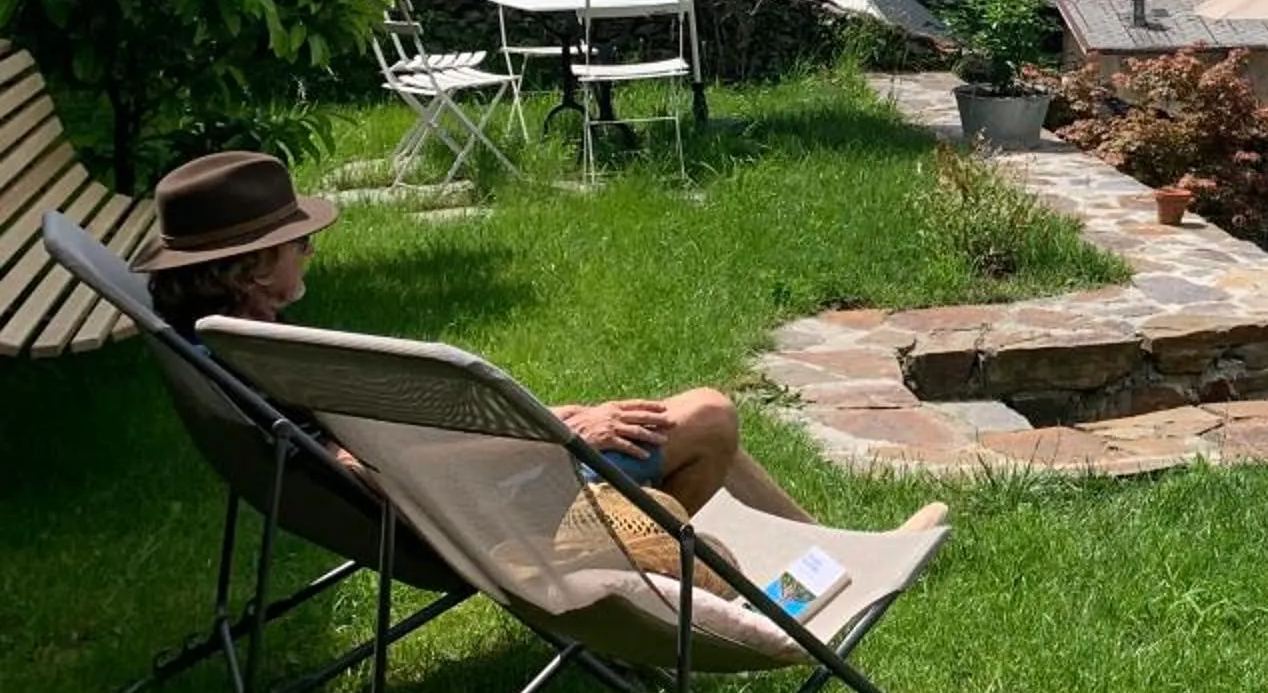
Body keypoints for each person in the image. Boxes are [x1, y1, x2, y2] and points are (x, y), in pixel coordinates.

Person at [137, 150, 938, 532]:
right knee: (708, 415)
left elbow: (363, 447)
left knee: (658, 414)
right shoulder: (261, 356)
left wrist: (544, 418)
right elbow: (373, 469)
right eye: (295, 243)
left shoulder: (225, 348)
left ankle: (830, 548)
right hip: (476, 509)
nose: (310, 250)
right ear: (247, 270)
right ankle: (654, 579)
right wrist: (556, 436)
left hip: (462, 480)